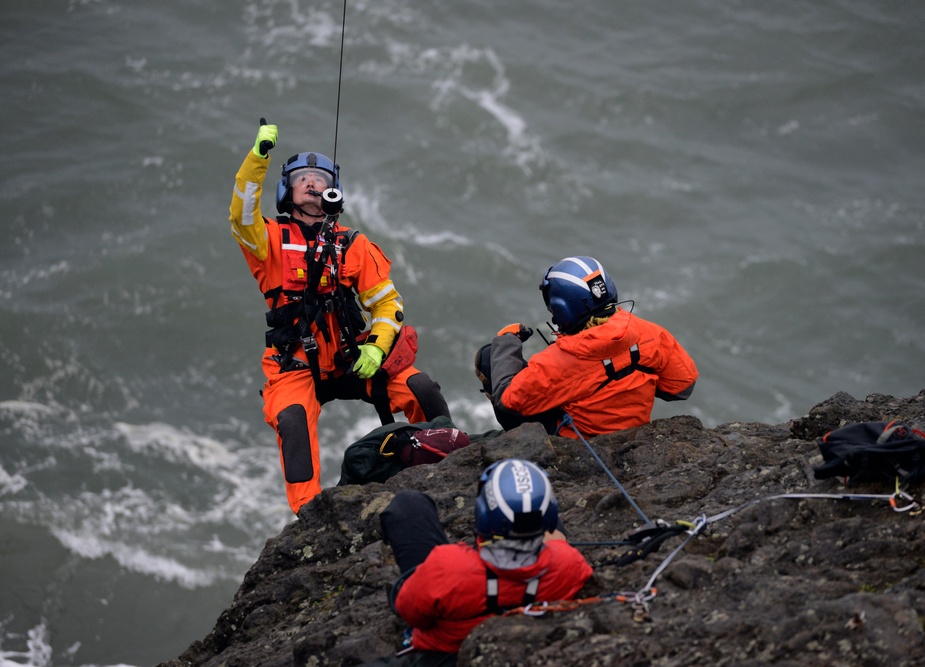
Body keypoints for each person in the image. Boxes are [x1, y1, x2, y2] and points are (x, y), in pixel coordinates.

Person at [229, 119, 450, 514]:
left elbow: (387, 304)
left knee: (421, 388)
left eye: (320, 178)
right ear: (287, 190)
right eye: (303, 179)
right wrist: (258, 157)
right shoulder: (268, 241)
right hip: (294, 365)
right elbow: (241, 215)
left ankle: (447, 463)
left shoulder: (352, 243)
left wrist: (378, 351)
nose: (313, 184)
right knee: (293, 421)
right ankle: (310, 514)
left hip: (353, 359)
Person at [368, 458, 593, 666]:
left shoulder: (446, 566)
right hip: (524, 628)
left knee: (408, 504)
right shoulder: (570, 563)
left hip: (444, 653)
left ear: (483, 514)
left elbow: (410, 611)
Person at [475, 256, 697, 439]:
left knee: (489, 356)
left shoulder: (559, 361)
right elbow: (681, 387)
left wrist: (507, 341)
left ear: (562, 307)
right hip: (633, 434)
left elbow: (508, 400)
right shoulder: (651, 333)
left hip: (575, 443)